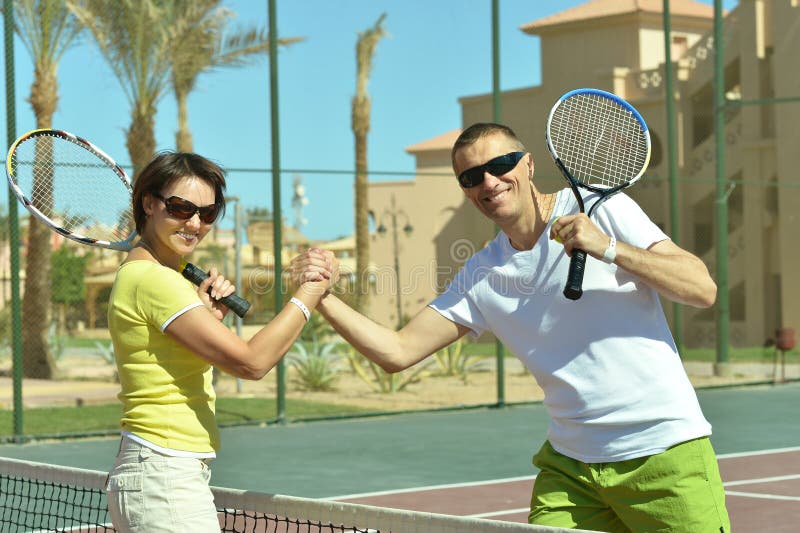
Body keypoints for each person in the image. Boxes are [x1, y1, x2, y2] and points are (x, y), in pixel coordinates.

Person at [291, 123, 730, 532]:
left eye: (500, 165)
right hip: (572, 469)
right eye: (471, 177)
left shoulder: (604, 209)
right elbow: (397, 351)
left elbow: (701, 288)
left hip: (663, 451)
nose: (489, 181)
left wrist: (608, 247)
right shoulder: (482, 274)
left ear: (529, 164)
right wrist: (321, 297)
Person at [105, 151, 334, 532]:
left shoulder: (152, 276)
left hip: (162, 470)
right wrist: (311, 291)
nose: (194, 223)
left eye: (208, 214)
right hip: (164, 474)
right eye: (181, 208)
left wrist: (206, 319)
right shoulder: (154, 280)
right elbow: (251, 362)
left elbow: (172, 366)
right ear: (148, 203)